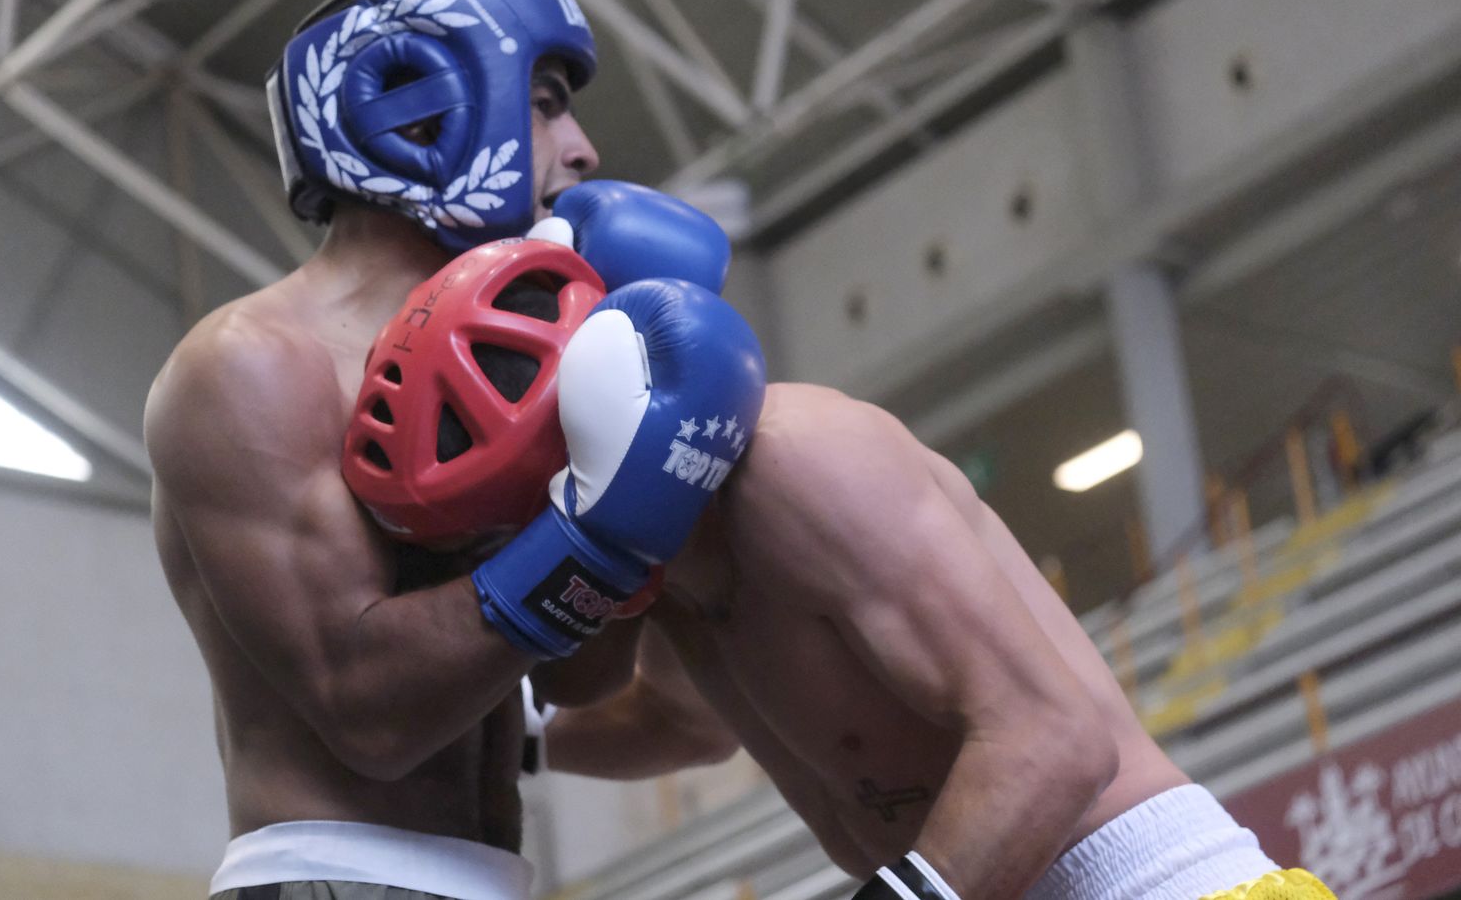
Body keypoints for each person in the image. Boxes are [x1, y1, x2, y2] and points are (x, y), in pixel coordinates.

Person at [144, 0, 763, 900]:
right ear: (418, 113)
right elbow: (370, 718)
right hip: (328, 879)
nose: (585, 148)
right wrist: (593, 539)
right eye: (546, 102)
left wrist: (647, 486)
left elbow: (579, 678)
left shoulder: (528, 360)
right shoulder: (255, 365)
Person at [541, 382, 1338, 899]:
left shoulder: (799, 453)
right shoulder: (658, 573)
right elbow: (682, 726)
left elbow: (1055, 743)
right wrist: (506, 740)